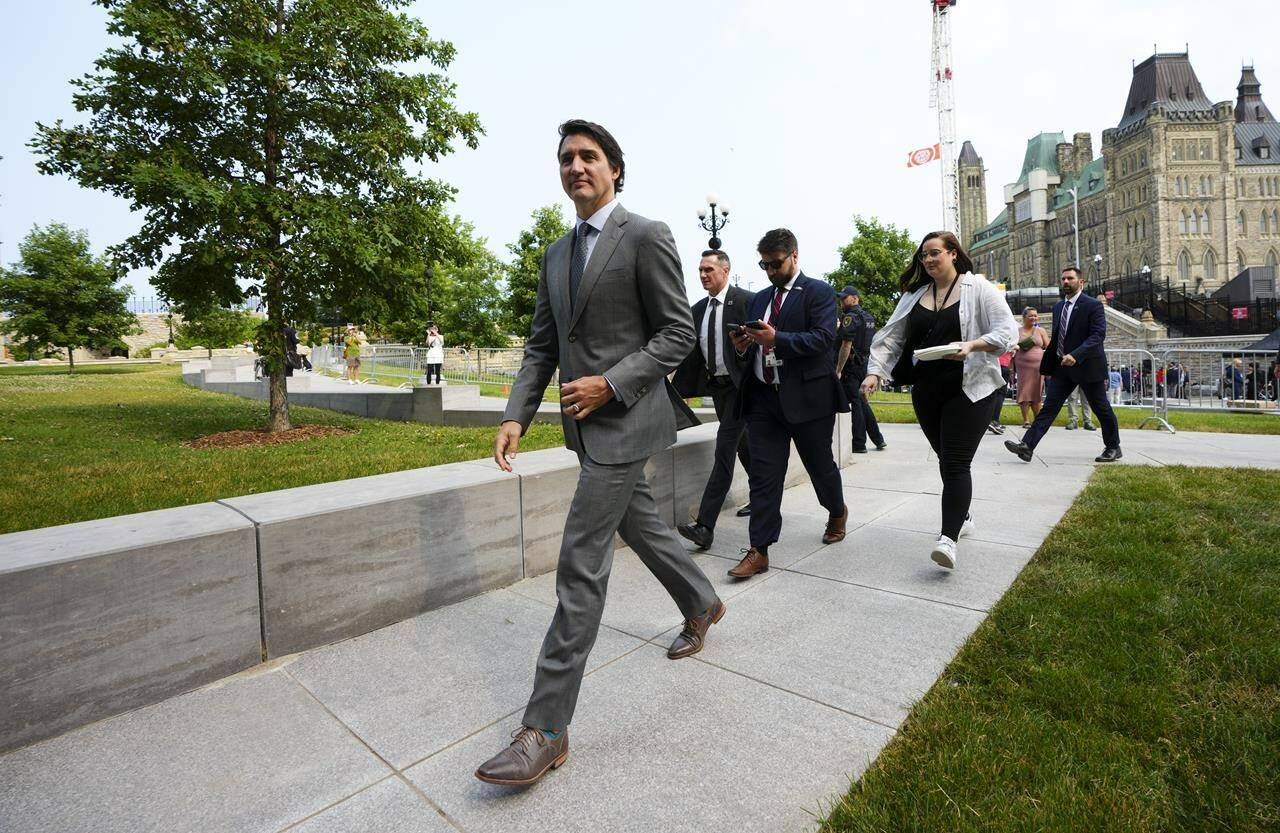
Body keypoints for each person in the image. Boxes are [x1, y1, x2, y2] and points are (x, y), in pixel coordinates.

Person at [478, 119, 722, 787]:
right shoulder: (555, 253)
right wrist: (515, 415)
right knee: (640, 522)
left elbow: (677, 334)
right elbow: (541, 346)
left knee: (579, 566)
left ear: (614, 168)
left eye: (589, 156)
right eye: (566, 158)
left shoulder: (646, 235)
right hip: (582, 429)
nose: (576, 166)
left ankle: (546, 728)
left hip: (627, 421)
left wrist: (613, 383)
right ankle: (701, 601)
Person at [864, 231, 1016, 570]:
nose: (929, 260)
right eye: (924, 255)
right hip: (927, 391)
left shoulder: (978, 289)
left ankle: (948, 539)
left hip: (972, 389)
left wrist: (972, 345)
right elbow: (891, 338)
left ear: (953, 254)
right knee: (946, 459)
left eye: (935, 253)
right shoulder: (915, 295)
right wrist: (875, 372)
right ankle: (963, 515)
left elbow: (1008, 333)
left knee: (956, 462)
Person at [726, 228, 850, 580]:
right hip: (764, 400)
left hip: (809, 399)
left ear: (794, 256)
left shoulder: (820, 292)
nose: (769, 271)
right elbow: (753, 343)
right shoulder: (759, 297)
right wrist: (743, 344)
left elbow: (823, 339)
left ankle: (836, 510)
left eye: (775, 264)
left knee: (819, 465)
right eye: (764, 264)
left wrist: (776, 338)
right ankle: (759, 550)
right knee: (764, 477)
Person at [672, 250, 754, 550]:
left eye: (709, 269)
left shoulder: (746, 301)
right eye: (700, 270)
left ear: (725, 270)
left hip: (742, 389)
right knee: (742, 442)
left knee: (725, 449)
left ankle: (705, 526)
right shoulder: (696, 310)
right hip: (717, 389)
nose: (703, 275)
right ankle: (761, 497)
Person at [1004, 266, 1123, 464]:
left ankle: (1113, 447)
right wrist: (1051, 362)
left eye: (1070, 278)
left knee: (1100, 408)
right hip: (1063, 368)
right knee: (1049, 407)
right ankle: (1027, 446)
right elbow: (1059, 336)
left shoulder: (1093, 305)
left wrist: (1076, 355)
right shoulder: (1059, 307)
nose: (1066, 282)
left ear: (1081, 282)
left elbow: (1097, 335)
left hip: (1087, 366)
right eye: (1063, 279)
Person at [834, 286, 887, 453]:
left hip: (851, 367)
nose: (841, 301)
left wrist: (838, 369)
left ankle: (859, 444)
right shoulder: (868, 317)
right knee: (862, 402)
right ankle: (878, 439)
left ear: (855, 298)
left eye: (845, 298)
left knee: (856, 404)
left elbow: (846, 345)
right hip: (865, 364)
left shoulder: (850, 317)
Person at [1012, 306, 1048, 428]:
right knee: (1024, 391)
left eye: (1035, 315)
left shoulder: (1041, 331)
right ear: (1024, 317)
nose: (1033, 318)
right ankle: (1026, 420)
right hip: (1023, 367)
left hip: (1038, 367)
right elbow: (1011, 345)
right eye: (1030, 315)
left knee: (1037, 392)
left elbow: (1048, 346)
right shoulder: (1016, 331)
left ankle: (1037, 420)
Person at [987, 348, 1013, 434]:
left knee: (992, 393)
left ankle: (988, 420)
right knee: (1000, 394)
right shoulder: (1008, 338)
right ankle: (994, 421)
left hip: (991, 365)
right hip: (1002, 365)